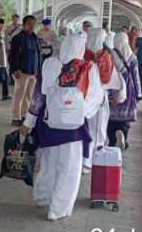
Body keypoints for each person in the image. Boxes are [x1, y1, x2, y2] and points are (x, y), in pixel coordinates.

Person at [19, 34, 104, 221]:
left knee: (48, 161)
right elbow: (96, 98)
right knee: (69, 167)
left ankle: (43, 195)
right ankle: (57, 209)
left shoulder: (49, 64)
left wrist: (28, 122)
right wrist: (79, 111)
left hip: (48, 123)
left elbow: (38, 96)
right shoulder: (89, 68)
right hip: (74, 127)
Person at [83, 28, 125, 171]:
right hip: (100, 98)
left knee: (85, 128)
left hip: (82, 99)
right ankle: (92, 161)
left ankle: (85, 159)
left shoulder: (81, 55)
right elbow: (110, 79)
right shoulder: (105, 57)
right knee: (98, 130)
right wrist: (119, 93)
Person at [107, 33, 142, 151]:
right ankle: (123, 135)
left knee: (110, 118)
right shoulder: (133, 58)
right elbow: (136, 77)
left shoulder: (110, 55)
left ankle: (112, 141)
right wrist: (138, 94)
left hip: (112, 89)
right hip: (128, 90)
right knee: (125, 118)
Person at [8, 15, 41, 126]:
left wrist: (38, 71)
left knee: (29, 96)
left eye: (33, 24)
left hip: (33, 72)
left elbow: (38, 56)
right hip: (22, 72)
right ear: (23, 25)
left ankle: (24, 115)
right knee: (19, 95)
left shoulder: (35, 38)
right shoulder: (18, 38)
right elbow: (13, 56)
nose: (32, 26)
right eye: (29, 24)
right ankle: (16, 117)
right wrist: (15, 69)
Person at [4, 13, 21, 86]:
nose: (15, 20)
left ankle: (19, 79)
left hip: (19, 48)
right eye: (14, 18)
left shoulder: (21, 27)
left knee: (19, 64)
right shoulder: (8, 28)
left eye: (16, 18)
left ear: (18, 19)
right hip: (10, 48)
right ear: (12, 19)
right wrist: (6, 48)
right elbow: (5, 39)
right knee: (11, 64)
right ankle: (11, 80)